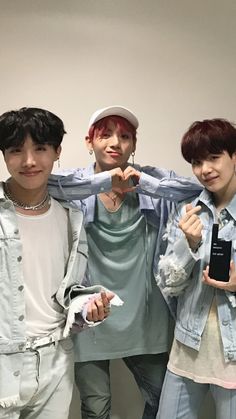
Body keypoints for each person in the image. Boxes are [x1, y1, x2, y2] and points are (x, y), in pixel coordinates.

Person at [48, 105, 202, 419]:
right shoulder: (75, 183)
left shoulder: (152, 180)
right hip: (90, 317)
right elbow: (39, 183)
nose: (115, 142)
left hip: (146, 318)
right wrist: (103, 183)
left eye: (125, 136)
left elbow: (198, 187)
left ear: (134, 144)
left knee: (164, 402)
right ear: (89, 142)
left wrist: (146, 184)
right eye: (105, 135)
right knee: (95, 407)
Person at [0, 107, 118, 419]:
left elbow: (69, 290)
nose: (29, 161)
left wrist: (89, 306)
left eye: (40, 149)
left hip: (56, 361)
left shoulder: (72, 218)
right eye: (15, 150)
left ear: (57, 152)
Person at [156, 118, 236, 419]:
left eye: (214, 157)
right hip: (189, 344)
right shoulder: (189, 210)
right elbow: (168, 284)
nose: (205, 169)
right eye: (196, 162)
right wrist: (188, 246)